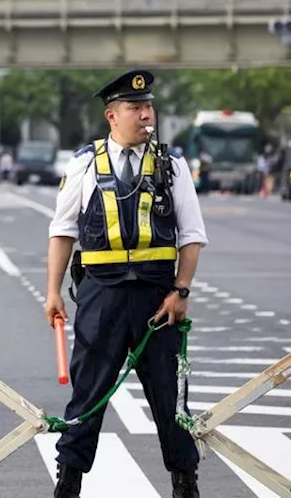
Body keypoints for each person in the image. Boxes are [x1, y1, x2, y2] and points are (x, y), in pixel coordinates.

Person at [43, 70, 207, 498]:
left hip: (158, 298)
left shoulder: (172, 165)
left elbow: (191, 235)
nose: (146, 116)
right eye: (136, 109)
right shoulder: (83, 164)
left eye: (149, 107)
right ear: (111, 116)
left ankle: (184, 481)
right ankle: (69, 480)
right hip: (102, 295)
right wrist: (53, 291)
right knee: (88, 394)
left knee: (169, 396)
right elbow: (62, 232)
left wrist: (182, 290)